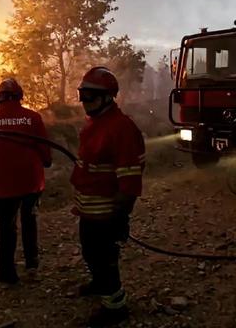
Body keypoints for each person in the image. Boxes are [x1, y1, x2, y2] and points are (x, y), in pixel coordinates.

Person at [71, 67, 145, 326]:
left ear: (107, 97)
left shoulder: (120, 128)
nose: (84, 102)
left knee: (104, 258)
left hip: (106, 213)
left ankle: (115, 306)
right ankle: (99, 284)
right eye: (82, 95)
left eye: (90, 96)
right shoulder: (95, 124)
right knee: (91, 252)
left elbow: (130, 180)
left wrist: (120, 217)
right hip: (89, 210)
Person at [0, 78, 52, 284]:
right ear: (19, 97)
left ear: (0, 98)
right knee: (29, 220)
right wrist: (46, 161)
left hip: (5, 183)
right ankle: (32, 264)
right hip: (32, 181)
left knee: (6, 225)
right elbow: (44, 149)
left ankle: (7, 271)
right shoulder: (33, 118)